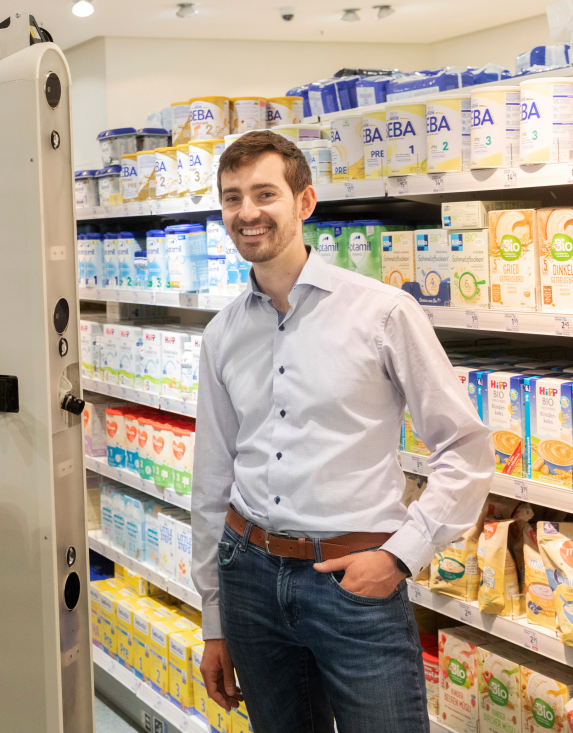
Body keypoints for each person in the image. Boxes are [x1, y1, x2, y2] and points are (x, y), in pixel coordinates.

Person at [191, 130, 493, 732]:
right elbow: (212, 476)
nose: (246, 213)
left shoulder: (382, 312)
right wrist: (215, 619)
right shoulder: (222, 332)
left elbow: (466, 447)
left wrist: (401, 557)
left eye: (264, 194)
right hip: (247, 575)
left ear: (304, 203)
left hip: (354, 584)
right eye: (231, 199)